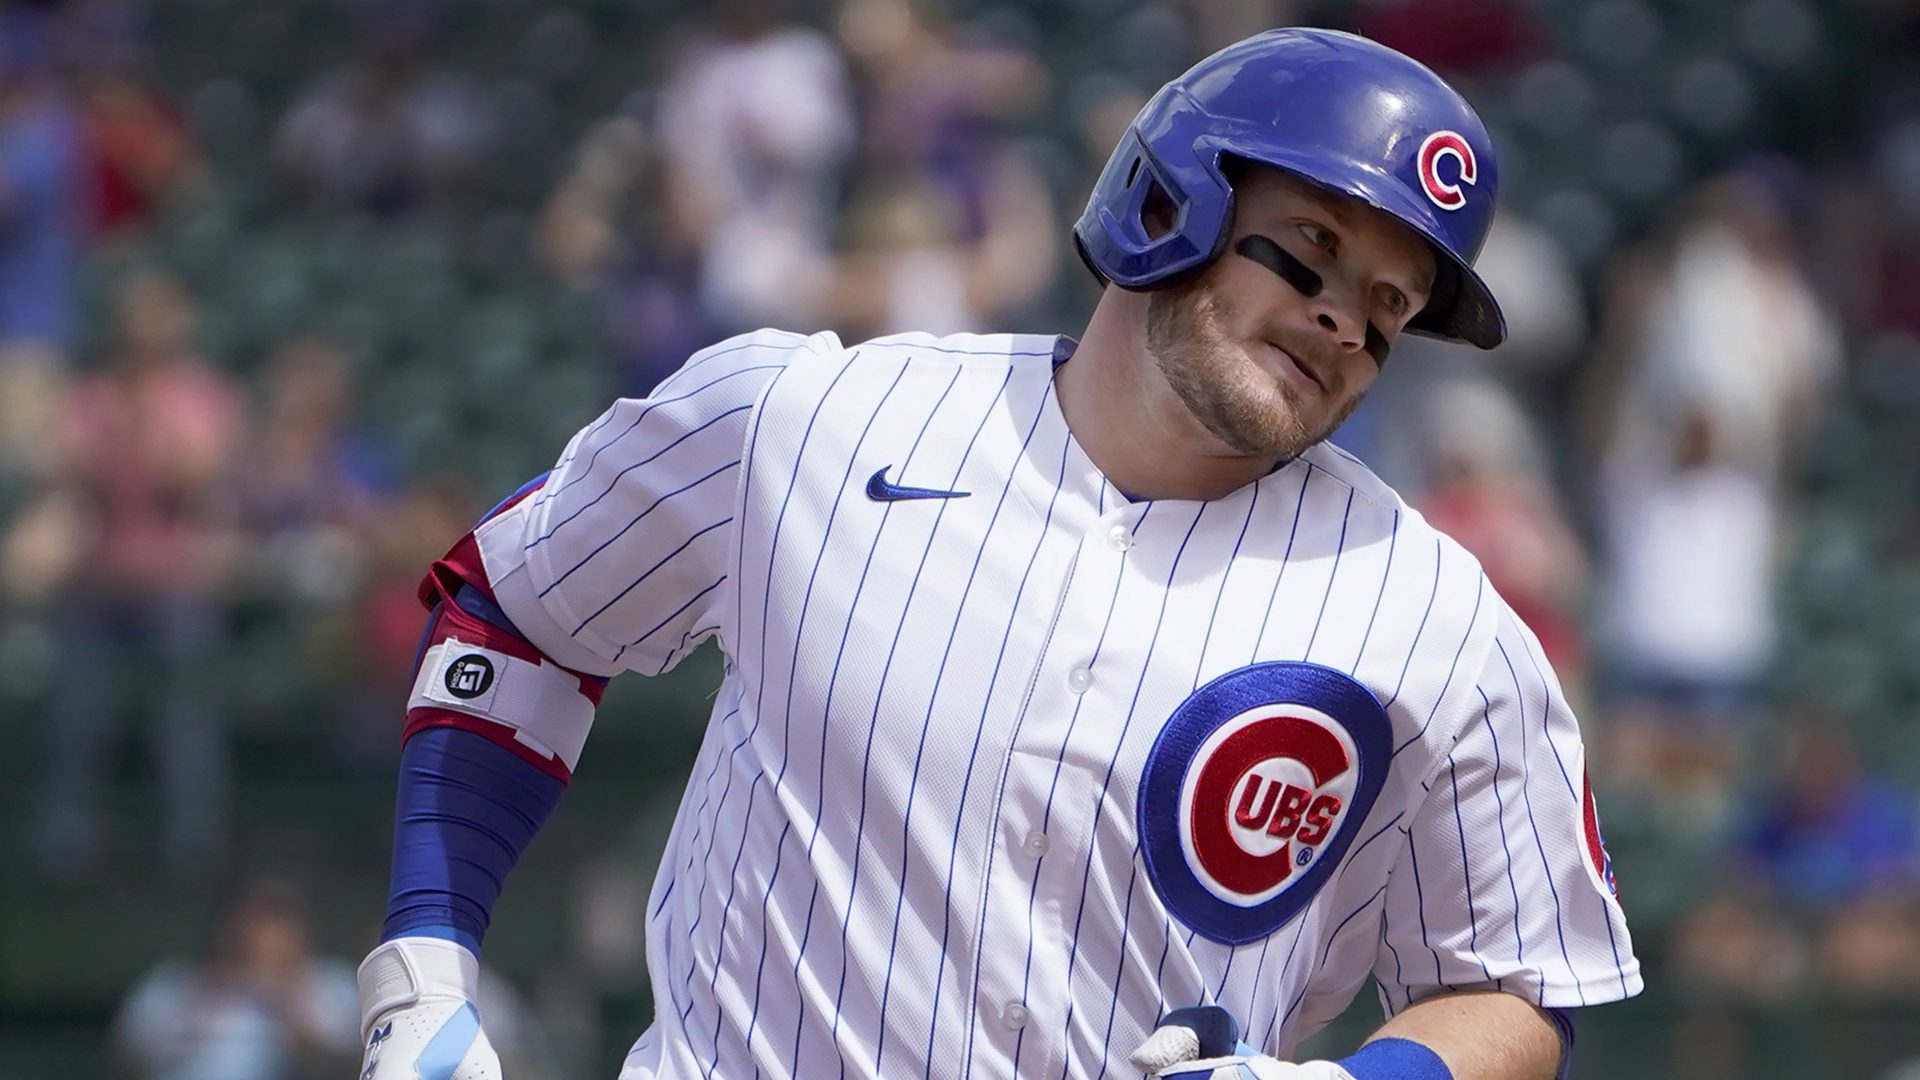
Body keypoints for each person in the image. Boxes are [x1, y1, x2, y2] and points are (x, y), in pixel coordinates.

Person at [357, 29, 1639, 1080]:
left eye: (1388, 306)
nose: (1342, 322)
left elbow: (1518, 985)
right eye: (1312, 253)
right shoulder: (807, 420)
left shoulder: (1438, 621)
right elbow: (522, 609)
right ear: (1171, 202)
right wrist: (425, 964)